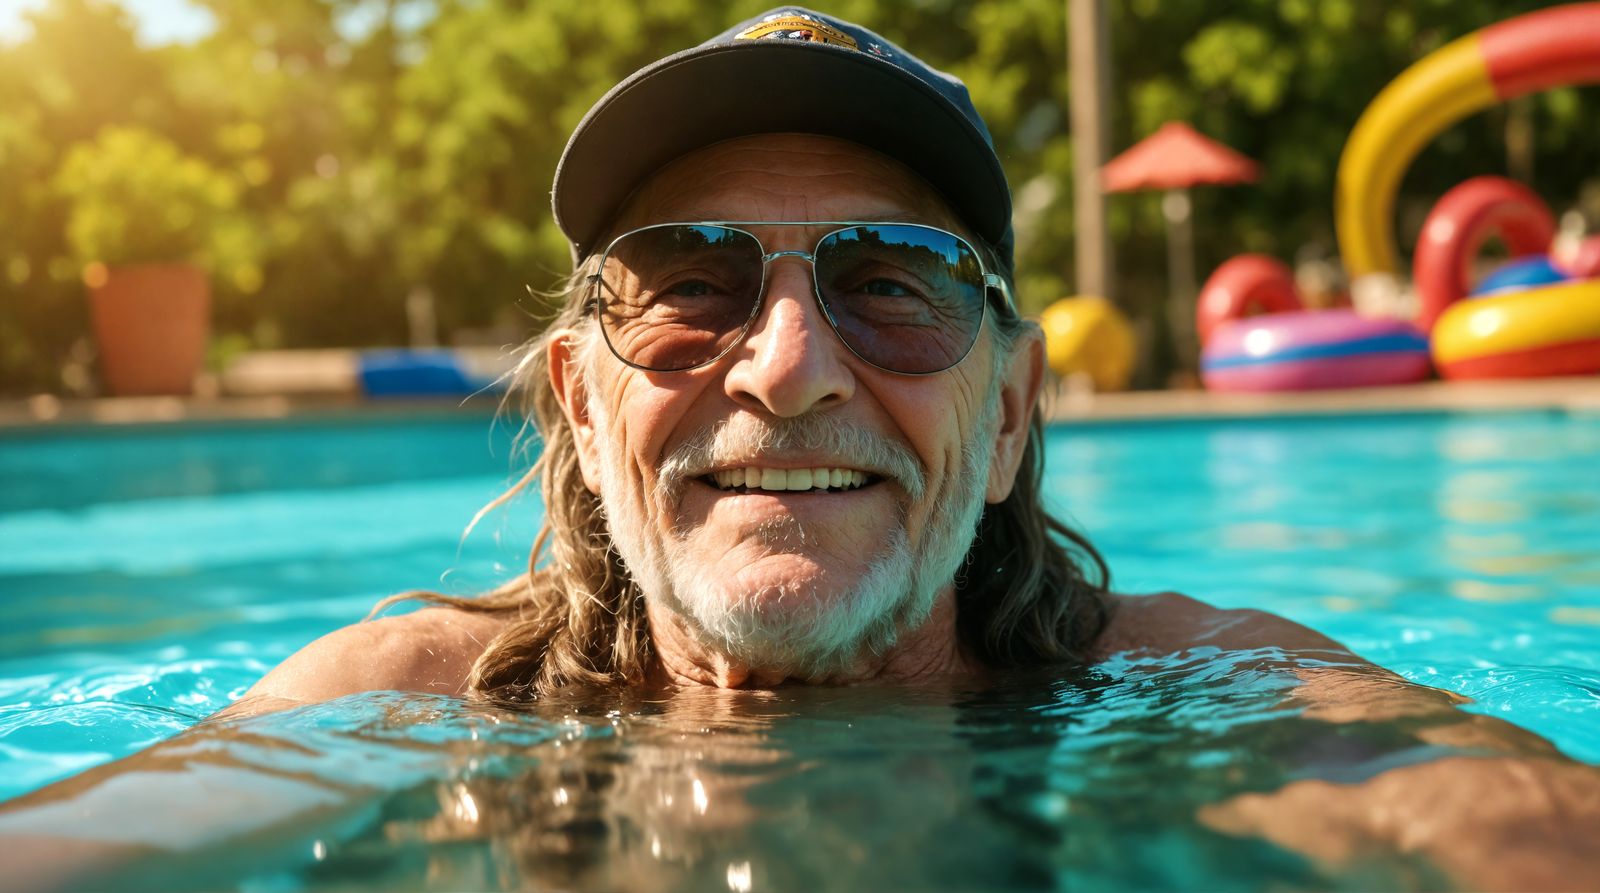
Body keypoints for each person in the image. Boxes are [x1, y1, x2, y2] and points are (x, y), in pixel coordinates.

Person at [3, 9, 1598, 892]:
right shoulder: (413, 707)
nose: (786, 362)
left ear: (1013, 414)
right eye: (692, 286)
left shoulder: (1204, 702)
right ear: (579, 398)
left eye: (890, 285)